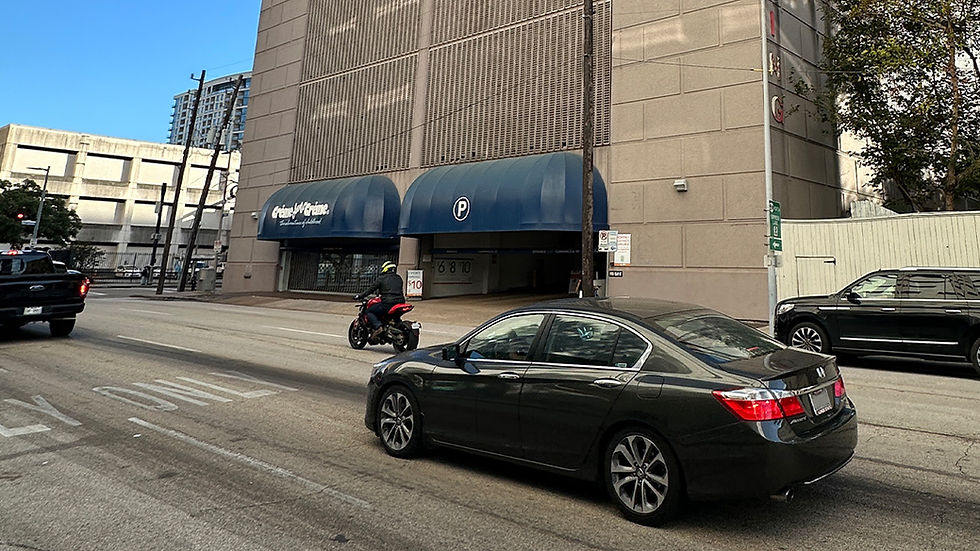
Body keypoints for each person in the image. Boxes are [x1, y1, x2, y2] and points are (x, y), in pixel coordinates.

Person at [354, 261, 405, 339]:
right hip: (400, 302)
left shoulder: (382, 278)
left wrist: (360, 296)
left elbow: (370, 289)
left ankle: (378, 327)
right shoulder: (398, 278)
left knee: (369, 311)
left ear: (385, 269)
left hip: (388, 303)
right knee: (395, 317)